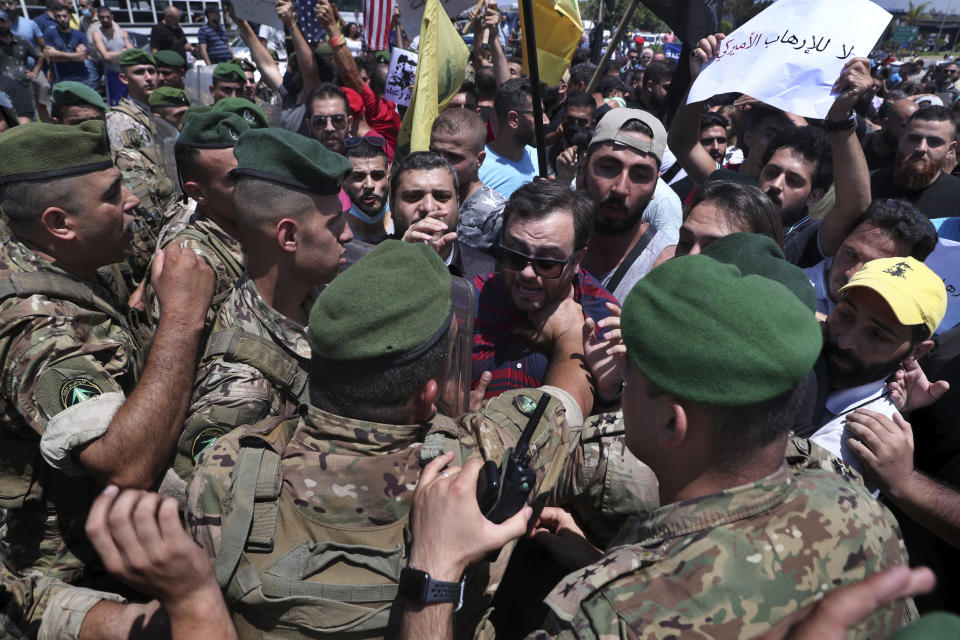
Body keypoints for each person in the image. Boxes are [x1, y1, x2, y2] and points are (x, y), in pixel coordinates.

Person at [402, 253, 915, 640]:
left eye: (634, 377)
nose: (620, 388)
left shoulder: (610, 616)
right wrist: (599, 560)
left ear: (672, 422)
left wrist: (435, 572)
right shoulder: (854, 508)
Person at [185, 238, 656, 639]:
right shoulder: (475, 463)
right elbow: (565, 402)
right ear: (428, 393)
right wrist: (571, 333)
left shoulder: (229, 469)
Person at [0, 121, 215, 638]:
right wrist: (182, 318)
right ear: (60, 223)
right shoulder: (36, 324)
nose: (135, 200)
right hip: (52, 583)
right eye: (113, 194)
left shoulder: (72, 265)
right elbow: (125, 463)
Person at [175, 127, 353, 482]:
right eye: (335, 224)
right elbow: (207, 506)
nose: (347, 234)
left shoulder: (317, 296)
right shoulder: (241, 386)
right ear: (288, 236)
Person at [472, 180, 619, 403]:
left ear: (577, 259)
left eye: (547, 263)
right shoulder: (472, 300)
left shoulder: (604, 325)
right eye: (515, 256)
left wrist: (611, 394)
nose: (528, 273)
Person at [807, 256, 947, 484]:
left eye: (877, 335)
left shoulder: (862, 438)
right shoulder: (801, 341)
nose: (846, 342)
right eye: (845, 315)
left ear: (916, 352)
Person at [153, 112, 252, 308]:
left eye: (256, 169)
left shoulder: (260, 225)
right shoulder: (191, 262)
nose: (253, 182)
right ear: (198, 193)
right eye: (236, 177)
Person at [578, 109, 676, 302]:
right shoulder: (544, 241)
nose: (621, 188)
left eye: (640, 175)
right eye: (608, 167)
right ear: (582, 169)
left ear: (655, 185)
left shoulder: (664, 272)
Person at [803, 199, 939, 315]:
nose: (852, 275)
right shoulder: (791, 289)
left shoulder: (903, 322)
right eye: (851, 254)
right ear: (843, 240)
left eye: (874, 267)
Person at [105, 47, 177, 258]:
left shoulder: (154, 112)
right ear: (123, 78)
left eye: (151, 71)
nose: (148, 78)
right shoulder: (122, 120)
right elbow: (128, 177)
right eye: (139, 72)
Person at [391, 151, 495, 279]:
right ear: (391, 205)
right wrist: (396, 261)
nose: (429, 207)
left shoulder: (487, 274)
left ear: (458, 204)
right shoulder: (366, 257)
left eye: (441, 197)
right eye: (413, 196)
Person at [430, 107, 506, 255]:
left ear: (479, 160)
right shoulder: (425, 202)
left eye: (452, 157)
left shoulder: (496, 215)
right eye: (433, 153)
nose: (439, 163)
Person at [870, 106, 960, 219]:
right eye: (914, 138)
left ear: (951, 149)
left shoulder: (957, 197)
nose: (921, 148)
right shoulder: (869, 184)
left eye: (934, 141)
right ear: (901, 139)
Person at [479, 77, 547, 198]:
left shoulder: (540, 159)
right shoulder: (477, 167)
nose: (546, 121)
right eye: (538, 113)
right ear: (513, 119)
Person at [342, 134, 392, 243]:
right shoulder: (335, 233)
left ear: (389, 180)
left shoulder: (406, 224)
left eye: (377, 176)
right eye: (359, 177)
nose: (369, 185)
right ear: (344, 185)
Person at [0, 9, 40, 121]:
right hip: (3, 90)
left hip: (24, 86)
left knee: (30, 120)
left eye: (2, 21)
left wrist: (35, 72)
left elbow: (39, 56)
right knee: (9, 122)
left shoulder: (21, 41)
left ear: (9, 22)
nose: (0, 25)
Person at [90, 6, 132, 105]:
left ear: (112, 17)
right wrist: (124, 52)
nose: (105, 19)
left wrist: (113, 56)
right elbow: (106, 57)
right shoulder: (97, 34)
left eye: (107, 17)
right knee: (116, 104)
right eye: (102, 17)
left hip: (127, 73)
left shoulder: (121, 32)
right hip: (112, 75)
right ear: (99, 18)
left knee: (131, 102)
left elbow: (132, 52)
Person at [862, 98, 918, 171]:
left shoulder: (905, 162)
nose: (910, 133)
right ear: (886, 123)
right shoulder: (859, 143)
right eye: (905, 127)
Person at [42, 4, 88, 85]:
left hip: (80, 76)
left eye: (64, 16)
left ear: (70, 16)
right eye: (59, 16)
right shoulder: (49, 33)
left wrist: (58, 54)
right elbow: (51, 56)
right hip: (60, 77)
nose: (62, 19)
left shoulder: (80, 35)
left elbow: (82, 58)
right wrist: (76, 55)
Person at [305, 83, 352, 154]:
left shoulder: (363, 160)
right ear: (309, 125)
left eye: (338, 120)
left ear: (349, 123)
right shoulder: (299, 161)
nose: (329, 128)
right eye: (320, 121)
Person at [633, 59, 672, 123]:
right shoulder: (631, 116)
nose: (670, 93)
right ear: (650, 86)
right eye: (667, 88)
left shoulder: (668, 118)